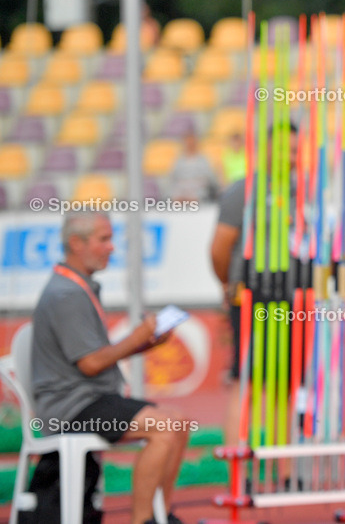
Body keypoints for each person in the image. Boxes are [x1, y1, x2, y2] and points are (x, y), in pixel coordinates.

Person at [32, 212, 190, 524]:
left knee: (179, 423)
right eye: (104, 239)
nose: (111, 247)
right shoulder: (66, 293)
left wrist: (145, 345)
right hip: (72, 408)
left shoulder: (76, 288)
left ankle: (160, 515)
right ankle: (143, 520)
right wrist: (137, 337)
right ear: (76, 243)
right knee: (164, 428)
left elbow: (96, 357)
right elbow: (91, 364)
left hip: (88, 399)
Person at [210, 122, 298, 448]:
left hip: (292, 299)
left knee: (283, 385)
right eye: (285, 149)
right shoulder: (243, 192)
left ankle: (283, 467)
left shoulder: (301, 191)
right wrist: (230, 285)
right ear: (267, 149)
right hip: (252, 296)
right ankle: (237, 465)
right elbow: (219, 248)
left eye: (295, 150)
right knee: (246, 381)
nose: (290, 157)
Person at [169, 129, 220, 202]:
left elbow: (209, 176)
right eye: (188, 142)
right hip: (182, 187)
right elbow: (174, 176)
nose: (190, 144)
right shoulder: (179, 160)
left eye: (192, 142)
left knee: (197, 196)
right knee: (176, 196)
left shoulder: (203, 159)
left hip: (198, 187)